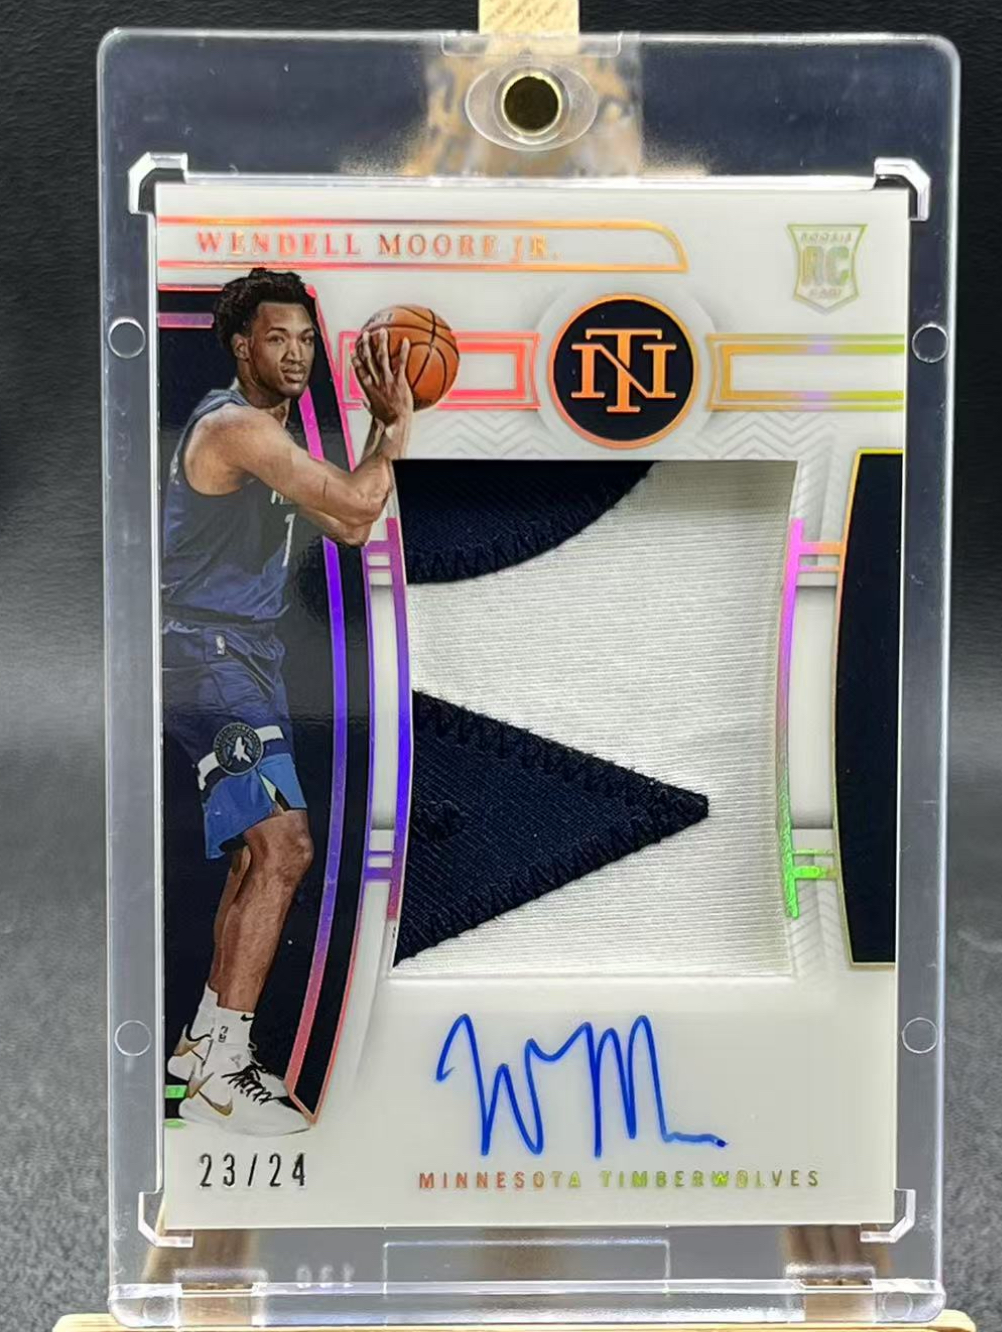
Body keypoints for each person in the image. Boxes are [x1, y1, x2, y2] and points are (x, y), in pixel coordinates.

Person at [162, 267, 412, 1134]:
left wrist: (377, 436)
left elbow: (350, 525)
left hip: (244, 652)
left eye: (307, 339)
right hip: (207, 652)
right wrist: (395, 428)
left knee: (254, 854)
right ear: (243, 347)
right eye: (279, 338)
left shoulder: (271, 429)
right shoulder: (235, 427)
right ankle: (224, 1072)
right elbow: (358, 498)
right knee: (285, 848)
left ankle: (202, 1045)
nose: (298, 354)